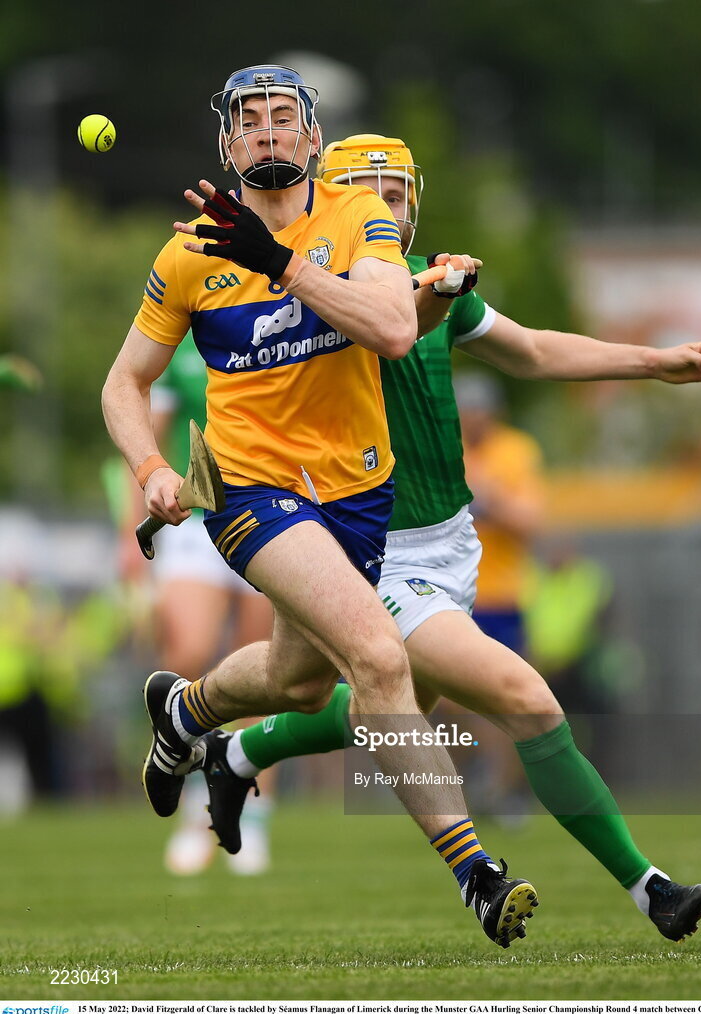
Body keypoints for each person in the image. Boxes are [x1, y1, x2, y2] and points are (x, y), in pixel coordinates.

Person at [199, 133, 701, 943]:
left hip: (451, 543)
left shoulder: (429, 294)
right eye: (369, 196)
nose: (390, 209)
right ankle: (647, 887)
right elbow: (345, 346)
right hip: (372, 551)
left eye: (398, 194)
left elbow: (530, 350)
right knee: (525, 699)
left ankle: (234, 754)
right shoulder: (319, 309)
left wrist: (653, 361)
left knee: (380, 706)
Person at [101, 67, 537, 948]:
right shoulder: (188, 252)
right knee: (378, 657)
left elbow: (391, 329)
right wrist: (148, 466)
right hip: (252, 493)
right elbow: (125, 383)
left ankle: (184, 713)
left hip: (355, 492)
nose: (266, 135)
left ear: (311, 139)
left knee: (300, 682)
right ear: (227, 145)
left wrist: (284, 266)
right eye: (248, 124)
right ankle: (476, 874)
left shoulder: (358, 218)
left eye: (282, 121)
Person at [119, 338, 276, 876]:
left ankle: (250, 812)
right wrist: (127, 537)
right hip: (195, 519)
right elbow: (146, 440)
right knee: (187, 653)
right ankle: (193, 809)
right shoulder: (180, 335)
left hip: (271, 507)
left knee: (265, 666)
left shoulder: (280, 314)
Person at [454, 370, 545, 657]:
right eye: (465, 410)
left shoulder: (515, 450)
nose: (472, 418)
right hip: (452, 589)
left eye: (479, 410)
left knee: (505, 684)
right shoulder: (446, 448)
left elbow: (528, 522)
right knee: (453, 689)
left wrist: (486, 497)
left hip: (504, 593)